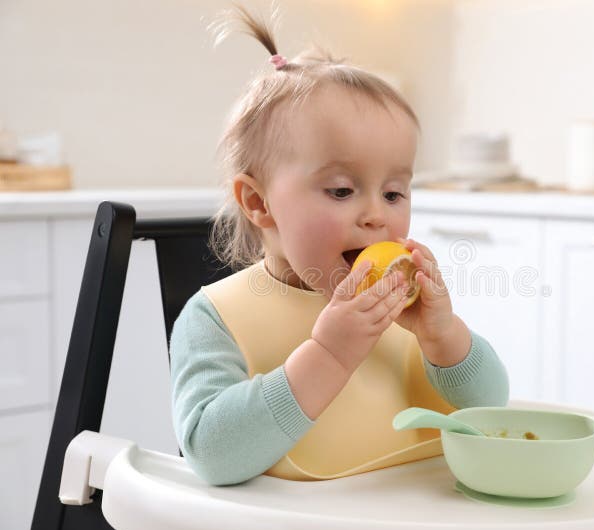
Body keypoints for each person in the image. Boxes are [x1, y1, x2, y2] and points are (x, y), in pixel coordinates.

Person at [170, 5, 509, 486]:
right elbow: (209, 454)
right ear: (259, 202)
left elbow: (491, 409)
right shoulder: (215, 319)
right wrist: (329, 355)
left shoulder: (403, 308)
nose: (376, 214)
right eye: (342, 191)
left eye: (394, 193)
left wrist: (443, 336)